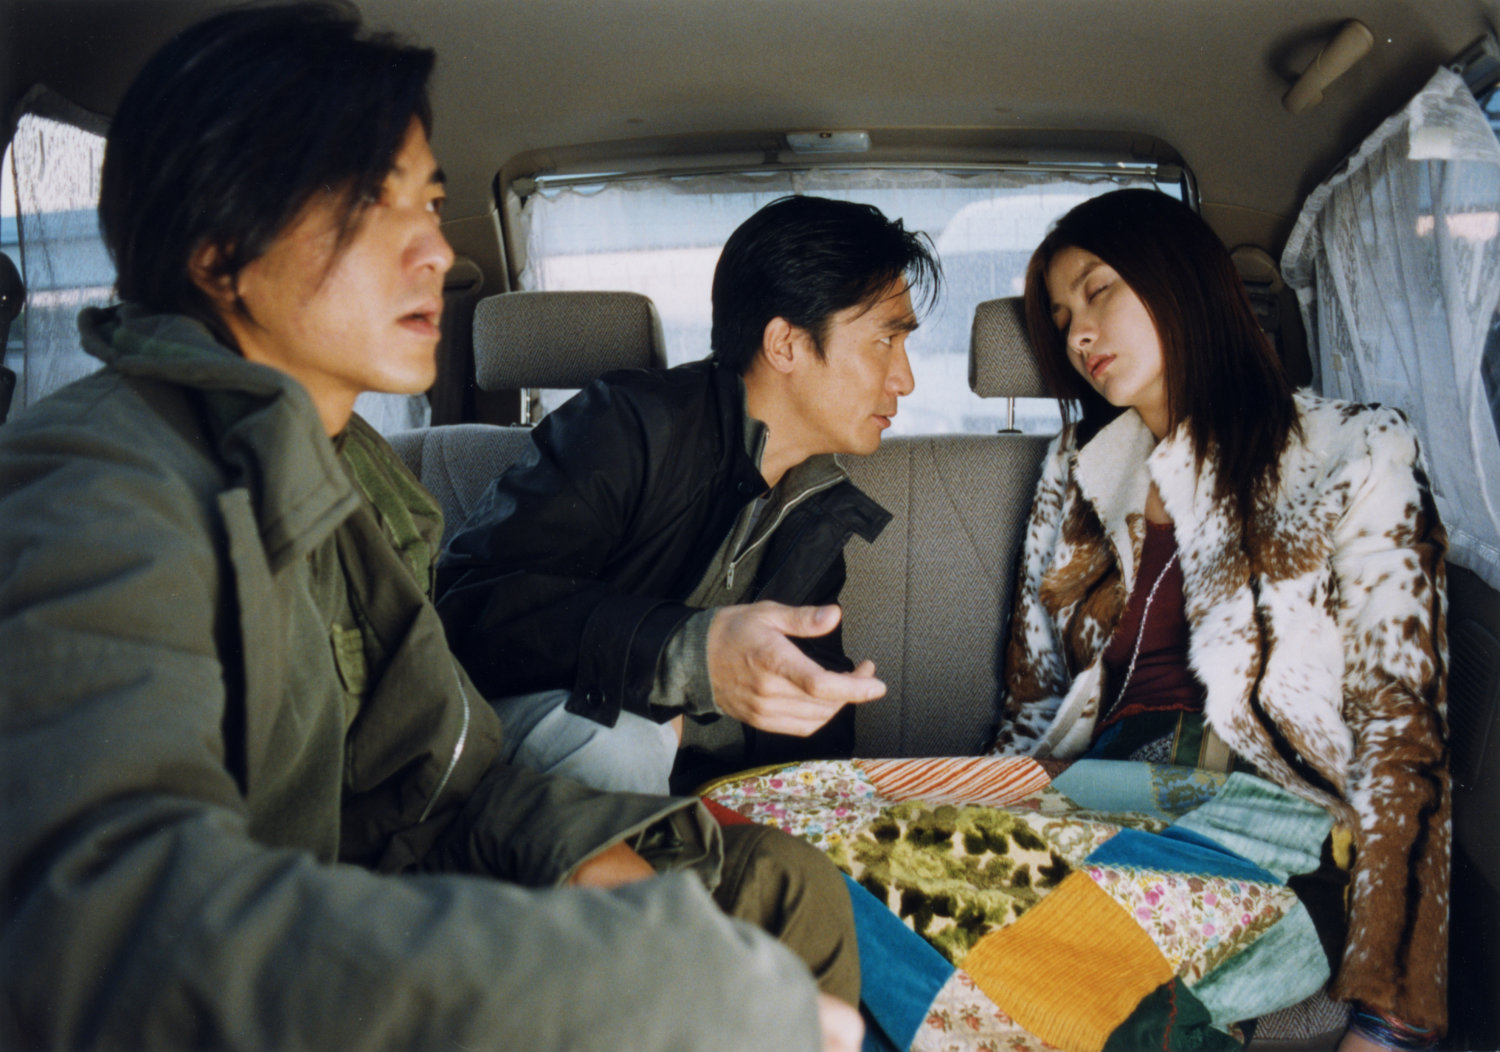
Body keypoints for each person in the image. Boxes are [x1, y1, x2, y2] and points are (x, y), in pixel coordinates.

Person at [0, 5, 865, 1049]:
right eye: (371, 202)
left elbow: (444, 775)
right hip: (271, 968)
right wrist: (630, 980)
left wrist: (597, 868)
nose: (436, 250)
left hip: (394, 871)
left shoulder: (350, 472)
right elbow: (112, 935)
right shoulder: (98, 483)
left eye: (434, 203)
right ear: (221, 249)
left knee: (779, 887)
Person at [990, 189, 1448, 1049]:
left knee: (1071, 983)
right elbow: (1033, 699)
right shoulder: (1079, 468)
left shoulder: (1352, 450)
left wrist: (1392, 1016)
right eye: (1059, 317)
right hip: (1094, 796)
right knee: (916, 923)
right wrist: (981, 817)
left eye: (1098, 291)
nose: (1078, 333)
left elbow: (1402, 728)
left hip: (1272, 814)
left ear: (1180, 279)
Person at [437, 194, 940, 794]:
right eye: (886, 341)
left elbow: (810, 734)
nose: (905, 379)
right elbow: (470, 608)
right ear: (785, 344)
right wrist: (685, 653)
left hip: (690, 797)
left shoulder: (814, 502)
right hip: (534, 756)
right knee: (626, 738)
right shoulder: (627, 426)